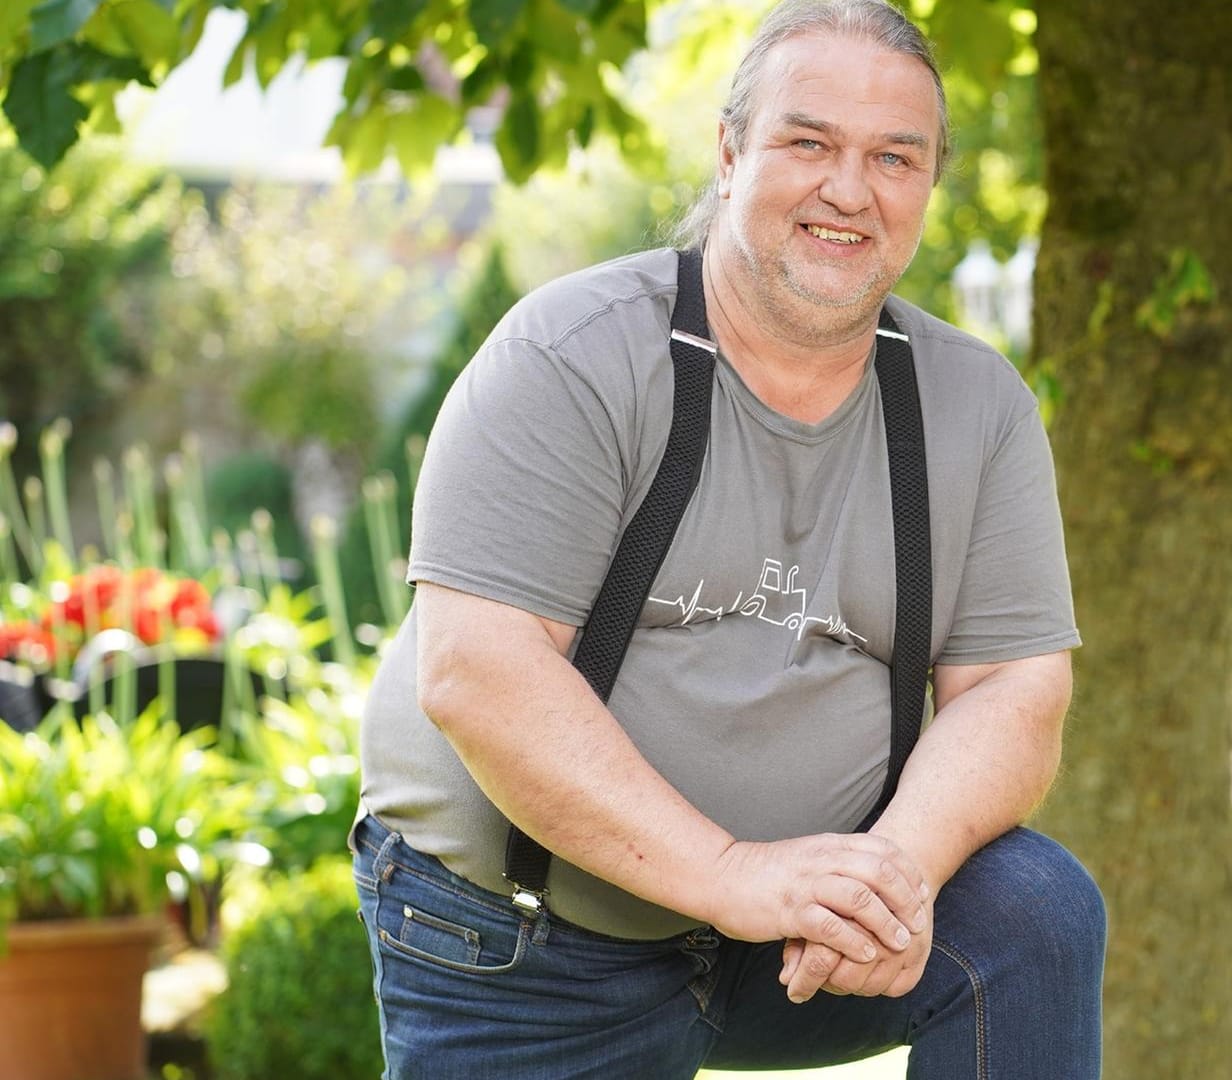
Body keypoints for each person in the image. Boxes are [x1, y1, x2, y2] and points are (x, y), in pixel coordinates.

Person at [350, 1, 1106, 1075]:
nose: (850, 189)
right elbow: (479, 671)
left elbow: (1013, 694)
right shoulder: (570, 356)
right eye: (810, 143)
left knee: (1036, 912)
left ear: (929, 186)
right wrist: (734, 872)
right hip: (525, 944)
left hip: (804, 941)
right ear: (728, 153)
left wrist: (889, 873)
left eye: (896, 157)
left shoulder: (977, 407)